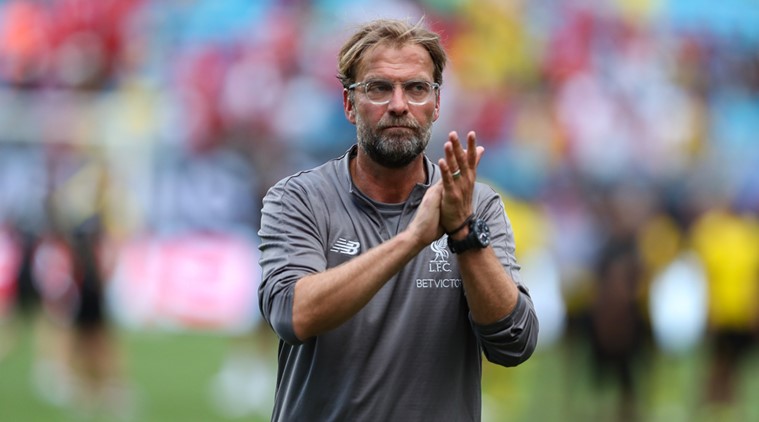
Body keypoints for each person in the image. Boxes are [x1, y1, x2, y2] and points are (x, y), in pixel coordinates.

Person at [258, 18, 538, 421]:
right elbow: (293, 315)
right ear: (349, 104)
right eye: (379, 87)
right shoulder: (299, 199)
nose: (399, 104)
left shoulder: (477, 206)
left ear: (437, 104)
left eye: (417, 88)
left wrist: (462, 233)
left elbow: (514, 343)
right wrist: (413, 239)